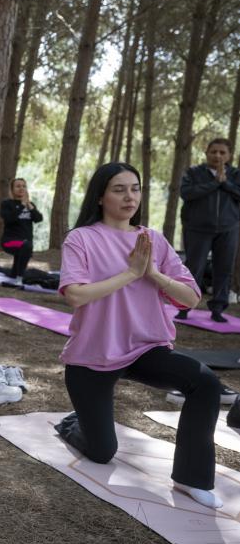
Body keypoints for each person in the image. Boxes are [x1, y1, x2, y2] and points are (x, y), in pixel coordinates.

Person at [55, 162, 224, 508]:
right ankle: (74, 422)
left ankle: (191, 478)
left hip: (145, 349)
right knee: (102, 452)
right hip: (93, 354)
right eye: (119, 189)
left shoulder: (154, 241)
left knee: (205, 383)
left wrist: (154, 275)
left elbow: (191, 297)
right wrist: (131, 273)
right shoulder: (81, 238)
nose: (129, 196)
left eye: (135, 188)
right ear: (100, 196)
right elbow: (75, 294)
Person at [178, 138, 240, 322]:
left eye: (222, 152)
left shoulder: (236, 175)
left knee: (224, 269)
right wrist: (215, 182)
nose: (218, 156)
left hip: (228, 229)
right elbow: (187, 193)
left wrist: (225, 183)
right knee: (194, 268)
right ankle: (184, 306)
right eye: (213, 152)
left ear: (229, 155)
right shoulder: (193, 172)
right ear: (206, 154)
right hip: (197, 228)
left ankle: (218, 310)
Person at [0, 178, 43, 284]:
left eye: (23, 186)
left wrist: (30, 206)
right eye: (18, 186)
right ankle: (19, 280)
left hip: (24, 243)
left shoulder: (30, 204)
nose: (21, 188)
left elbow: (38, 219)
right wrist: (22, 205)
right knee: (26, 246)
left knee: (14, 272)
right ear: (12, 189)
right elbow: (9, 218)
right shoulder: (6, 204)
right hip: (9, 241)